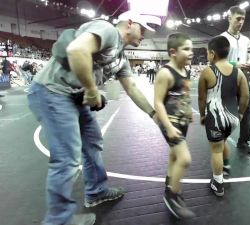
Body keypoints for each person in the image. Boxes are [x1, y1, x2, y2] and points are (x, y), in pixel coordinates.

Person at [27, 11, 161, 225]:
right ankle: (58, 220)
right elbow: (77, 49)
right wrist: (91, 89)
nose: (144, 35)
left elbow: (132, 87)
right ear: (129, 23)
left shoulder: (121, 58)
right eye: (142, 29)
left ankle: (96, 192)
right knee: (67, 159)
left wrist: (154, 114)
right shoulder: (107, 30)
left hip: (76, 97)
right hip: (53, 91)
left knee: (92, 144)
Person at [198, 36, 249, 196]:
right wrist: (240, 113)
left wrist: (202, 114)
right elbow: (245, 96)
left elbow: (201, 98)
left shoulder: (207, 71)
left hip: (215, 118)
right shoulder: (238, 72)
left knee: (216, 150)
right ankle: (225, 166)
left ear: (212, 53)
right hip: (233, 119)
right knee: (223, 141)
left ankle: (218, 183)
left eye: (207, 52)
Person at [154, 33, 195, 219]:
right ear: (172, 52)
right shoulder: (165, 73)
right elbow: (158, 103)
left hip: (182, 121)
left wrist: (189, 111)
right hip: (170, 123)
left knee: (174, 155)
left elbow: (185, 93)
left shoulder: (185, 70)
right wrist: (169, 127)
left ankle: (170, 183)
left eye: (192, 49)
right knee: (184, 159)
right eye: (186, 49)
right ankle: (172, 196)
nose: (191, 53)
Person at [221, 6, 250, 154]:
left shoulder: (246, 40)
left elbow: (248, 57)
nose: (241, 22)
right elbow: (216, 62)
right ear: (229, 18)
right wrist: (236, 64)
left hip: (243, 81)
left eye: (243, 19)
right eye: (238, 19)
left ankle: (244, 141)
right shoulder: (222, 39)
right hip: (227, 81)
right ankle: (220, 141)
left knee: (246, 112)